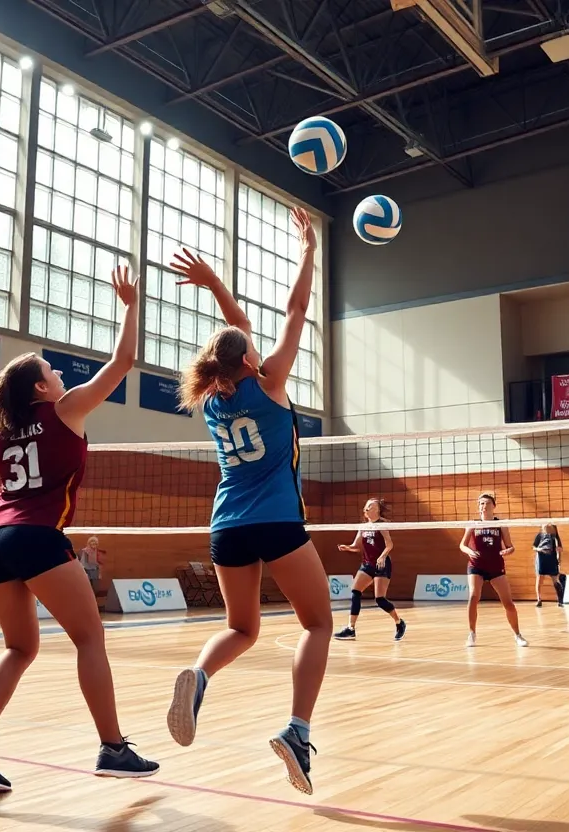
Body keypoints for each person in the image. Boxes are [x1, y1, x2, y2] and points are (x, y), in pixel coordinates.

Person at [0, 265, 156, 792]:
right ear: (42, 386)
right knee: (89, 636)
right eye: (52, 369)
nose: (60, 373)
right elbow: (123, 361)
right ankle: (112, 747)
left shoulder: (4, 429)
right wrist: (130, 305)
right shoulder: (65, 408)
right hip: (35, 535)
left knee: (20, 648)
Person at [164, 208, 331, 796]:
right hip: (278, 521)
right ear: (250, 360)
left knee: (241, 627)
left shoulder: (212, 399)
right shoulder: (273, 381)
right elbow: (295, 311)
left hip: (226, 526)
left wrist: (213, 286)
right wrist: (309, 251)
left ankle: (200, 674)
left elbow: (236, 336)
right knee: (317, 623)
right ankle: (297, 730)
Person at [459, 493, 528, 648]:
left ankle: (518, 635)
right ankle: (472, 633)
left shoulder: (501, 524)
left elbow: (510, 546)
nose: (483, 506)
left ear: (493, 506)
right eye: (481, 503)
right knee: (473, 596)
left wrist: (508, 551)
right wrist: (469, 551)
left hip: (496, 566)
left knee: (508, 603)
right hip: (476, 565)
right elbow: (462, 545)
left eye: (487, 503)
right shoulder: (472, 523)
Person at [333, 498, 406, 642]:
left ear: (377, 510)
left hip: (382, 564)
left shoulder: (382, 525)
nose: (368, 508)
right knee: (355, 591)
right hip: (367, 564)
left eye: (371, 506)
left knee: (380, 599)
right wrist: (348, 547)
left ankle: (399, 622)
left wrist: (382, 557)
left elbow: (389, 545)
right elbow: (356, 545)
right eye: (366, 506)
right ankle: (351, 629)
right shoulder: (363, 526)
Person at [532, 523, 563, 607]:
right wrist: (540, 549)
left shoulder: (555, 537)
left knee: (555, 580)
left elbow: (559, 549)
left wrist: (559, 559)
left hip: (552, 560)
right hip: (541, 559)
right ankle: (539, 599)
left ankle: (560, 600)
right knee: (540, 579)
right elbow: (534, 547)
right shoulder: (540, 535)